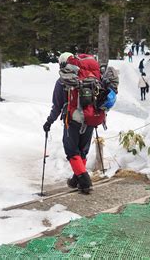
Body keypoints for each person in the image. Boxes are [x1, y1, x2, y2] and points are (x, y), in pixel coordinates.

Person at [43, 52, 94, 194]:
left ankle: (84, 181)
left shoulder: (62, 81)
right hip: (90, 119)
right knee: (82, 150)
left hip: (72, 120)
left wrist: (49, 121)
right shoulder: (90, 78)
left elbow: (57, 106)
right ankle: (76, 179)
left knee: (71, 151)